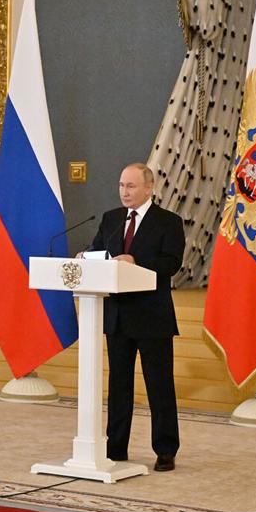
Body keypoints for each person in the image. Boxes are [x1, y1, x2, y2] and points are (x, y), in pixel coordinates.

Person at [86, 163, 185, 472]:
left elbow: (171, 263)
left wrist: (136, 260)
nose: (124, 192)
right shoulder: (111, 219)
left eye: (130, 186)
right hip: (117, 316)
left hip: (152, 316)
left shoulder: (168, 222)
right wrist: (85, 259)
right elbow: (98, 252)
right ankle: (116, 447)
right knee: (119, 385)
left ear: (148, 188)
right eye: (121, 185)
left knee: (159, 385)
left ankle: (165, 450)